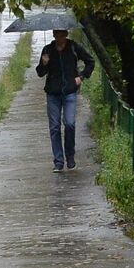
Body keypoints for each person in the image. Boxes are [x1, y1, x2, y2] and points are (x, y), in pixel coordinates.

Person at [36, 28, 95, 171]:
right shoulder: (48, 49)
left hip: (70, 92)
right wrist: (44, 63)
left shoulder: (74, 47)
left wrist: (81, 77)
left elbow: (90, 61)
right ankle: (58, 161)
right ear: (54, 35)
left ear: (66, 35)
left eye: (62, 35)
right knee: (55, 127)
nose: (60, 37)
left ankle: (70, 155)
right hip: (53, 93)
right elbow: (40, 73)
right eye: (57, 34)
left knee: (70, 124)